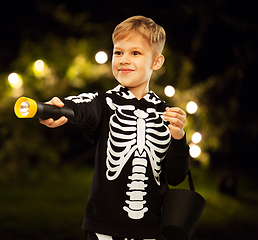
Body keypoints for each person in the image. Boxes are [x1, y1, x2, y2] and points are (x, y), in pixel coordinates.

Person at [40, 16, 190, 240]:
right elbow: (81, 106)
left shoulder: (166, 114)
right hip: (104, 229)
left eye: (135, 53)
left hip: (152, 229)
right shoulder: (103, 103)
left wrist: (179, 138)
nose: (124, 60)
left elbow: (176, 176)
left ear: (156, 62)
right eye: (118, 52)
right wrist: (59, 109)